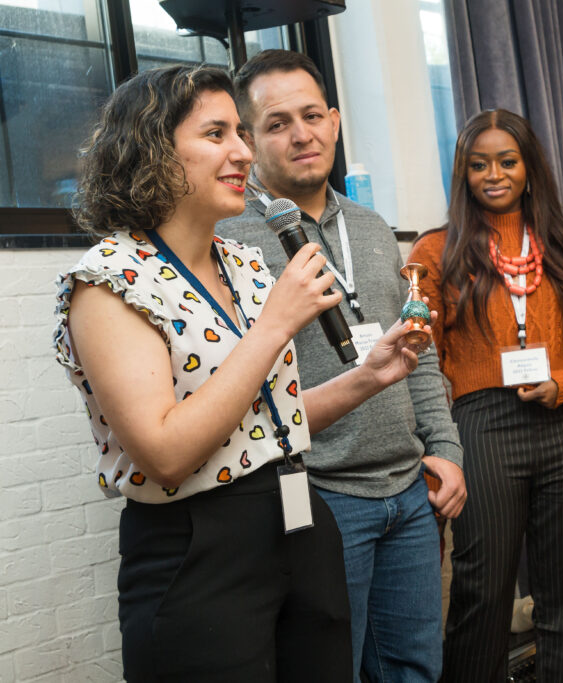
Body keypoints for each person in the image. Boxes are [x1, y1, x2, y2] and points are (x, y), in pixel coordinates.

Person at [53, 65, 426, 682]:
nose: (242, 151)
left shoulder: (244, 264)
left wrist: (371, 377)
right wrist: (276, 325)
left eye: (240, 134)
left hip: (298, 521)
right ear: (153, 150)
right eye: (217, 134)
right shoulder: (110, 281)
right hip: (198, 547)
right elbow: (166, 452)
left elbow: (269, 422)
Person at [218, 49, 464, 683]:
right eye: (277, 124)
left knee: (416, 669)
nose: (301, 135)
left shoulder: (373, 227)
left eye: (311, 116)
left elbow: (420, 346)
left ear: (333, 120)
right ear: (248, 138)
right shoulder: (228, 239)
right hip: (319, 494)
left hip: (410, 493)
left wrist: (446, 450)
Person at [408, 108, 563, 682]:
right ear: (462, 173)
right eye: (479, 164)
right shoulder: (437, 253)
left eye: (508, 161)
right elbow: (420, 357)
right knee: (482, 589)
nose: (494, 174)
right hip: (481, 428)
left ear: (529, 168)